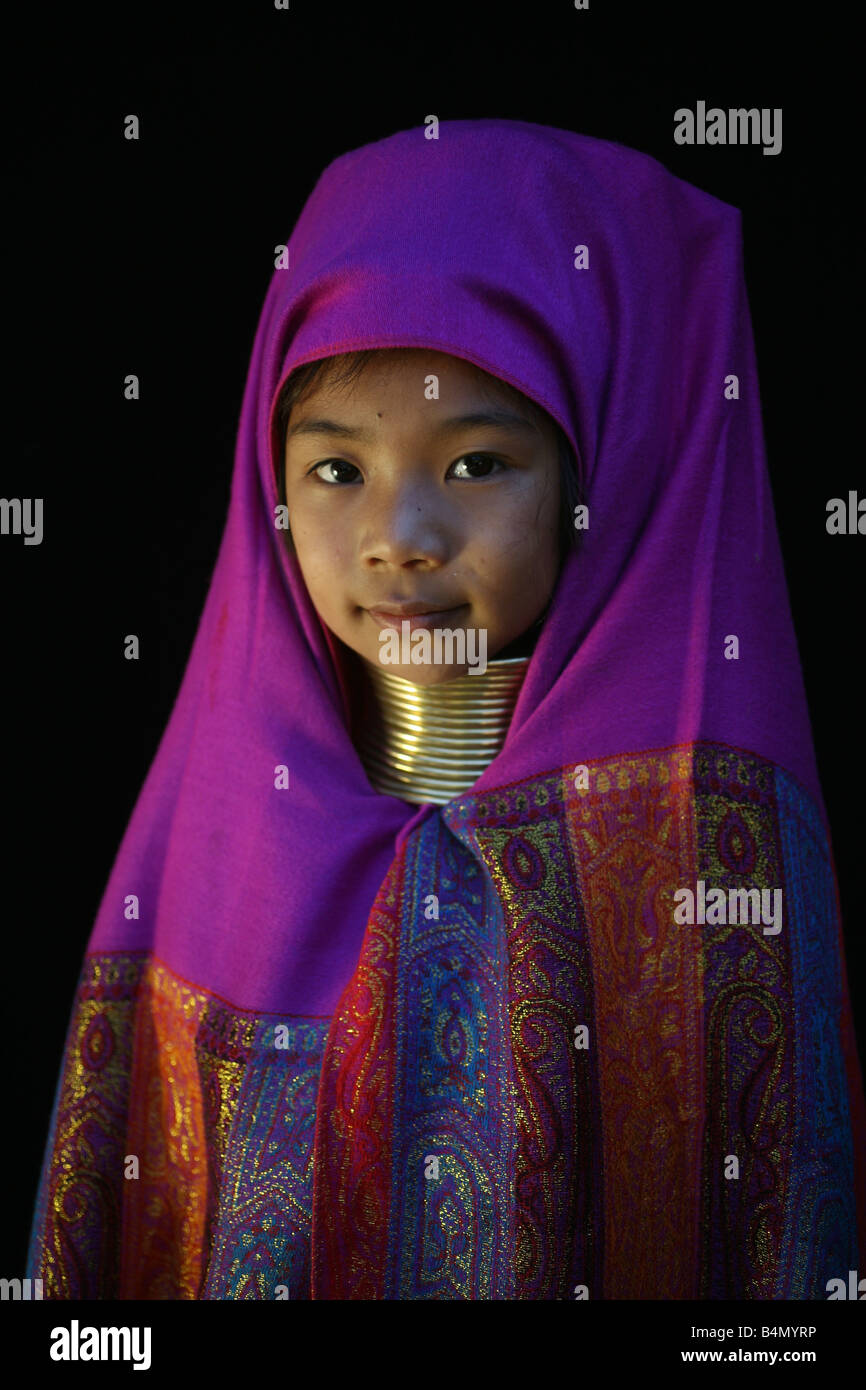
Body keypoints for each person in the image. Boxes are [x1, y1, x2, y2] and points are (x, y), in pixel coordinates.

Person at [27, 118, 865, 1300]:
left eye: (477, 463)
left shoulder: (701, 861)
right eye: (334, 471)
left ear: (608, 467)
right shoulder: (216, 846)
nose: (399, 540)